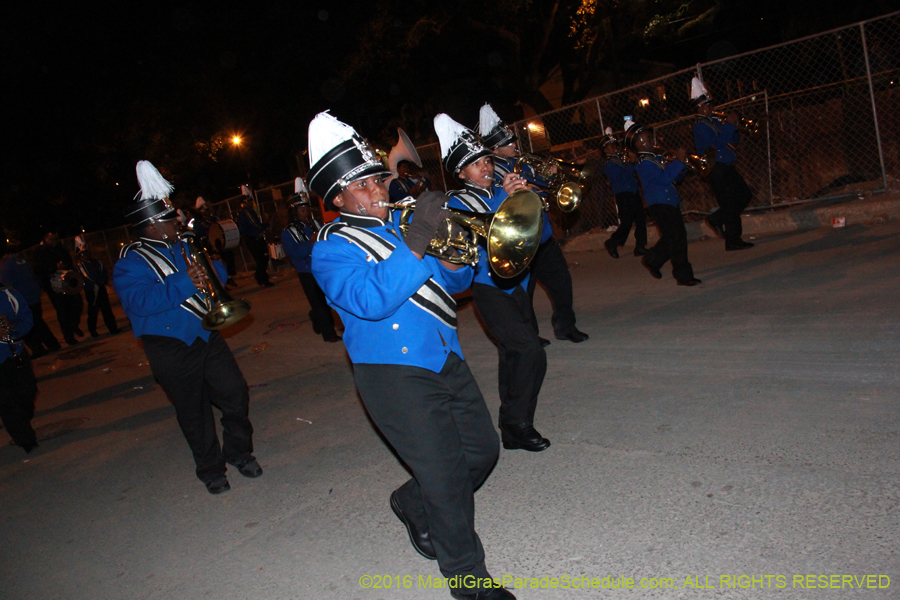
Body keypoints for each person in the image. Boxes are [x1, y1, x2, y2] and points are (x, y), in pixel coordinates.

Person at [307, 112, 514, 600]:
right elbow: (371, 299)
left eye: (378, 178)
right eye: (363, 185)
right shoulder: (330, 248)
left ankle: (410, 499)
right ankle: (469, 581)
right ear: (338, 198)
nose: (378, 188)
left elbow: (456, 286)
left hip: (445, 355)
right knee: (445, 479)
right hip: (392, 373)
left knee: (483, 452)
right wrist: (420, 241)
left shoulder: (403, 225)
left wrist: (453, 256)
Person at [113, 161, 262, 495]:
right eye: (168, 218)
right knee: (193, 412)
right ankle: (211, 469)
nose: (175, 221)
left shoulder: (184, 245)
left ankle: (239, 452)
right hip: (169, 345)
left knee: (235, 393)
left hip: (207, 333)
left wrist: (212, 268)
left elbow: (218, 276)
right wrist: (184, 281)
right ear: (150, 226)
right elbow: (139, 301)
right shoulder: (129, 262)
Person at [438, 112, 551, 454]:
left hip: (519, 282)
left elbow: (534, 233)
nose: (486, 167)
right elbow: (488, 235)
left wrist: (529, 200)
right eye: (475, 164)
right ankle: (517, 421)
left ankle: (512, 426)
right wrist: (508, 199)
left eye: (486, 159)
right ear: (460, 173)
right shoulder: (456, 203)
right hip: (488, 286)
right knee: (529, 350)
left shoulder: (501, 190)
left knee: (515, 353)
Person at [479, 103, 588, 344]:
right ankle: (530, 335)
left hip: (543, 234)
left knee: (561, 281)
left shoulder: (523, 163)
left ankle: (565, 326)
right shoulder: (491, 173)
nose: (515, 146)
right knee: (524, 293)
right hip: (520, 240)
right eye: (509, 143)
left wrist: (550, 176)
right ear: (495, 149)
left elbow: (546, 191)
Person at [624, 118, 701, 287]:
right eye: (648, 139)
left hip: (669, 201)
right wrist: (678, 162)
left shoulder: (656, 158)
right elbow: (664, 179)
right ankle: (683, 275)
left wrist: (683, 167)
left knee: (673, 237)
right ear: (639, 144)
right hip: (659, 204)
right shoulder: (643, 164)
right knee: (677, 238)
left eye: (650, 138)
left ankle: (652, 259)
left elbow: (673, 178)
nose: (652, 141)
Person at [690, 76, 754, 251]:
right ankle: (720, 224)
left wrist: (735, 127)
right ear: (701, 107)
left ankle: (732, 237)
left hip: (725, 165)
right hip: (715, 168)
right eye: (709, 105)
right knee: (732, 201)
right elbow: (716, 143)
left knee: (743, 196)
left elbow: (731, 140)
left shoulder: (715, 121)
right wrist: (729, 125)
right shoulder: (700, 125)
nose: (713, 108)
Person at [281, 177, 340, 343]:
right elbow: (294, 253)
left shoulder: (315, 223)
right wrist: (311, 243)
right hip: (306, 271)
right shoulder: (288, 232)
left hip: (323, 267)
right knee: (318, 302)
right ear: (294, 211)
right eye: (302, 209)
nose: (306, 212)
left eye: (307, 208)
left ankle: (316, 316)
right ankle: (329, 333)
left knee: (329, 299)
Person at [0, 235, 61, 357]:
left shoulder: (6, 265)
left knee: (27, 326)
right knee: (38, 322)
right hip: (33, 296)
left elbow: (6, 285)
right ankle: (52, 344)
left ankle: (38, 348)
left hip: (23, 299)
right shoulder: (21, 260)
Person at [0, 284, 39, 453]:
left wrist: (11, 327)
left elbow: (27, 319)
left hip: (15, 352)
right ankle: (25, 438)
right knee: (6, 401)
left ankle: (21, 421)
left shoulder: (9, 294)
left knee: (28, 391)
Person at [599, 127, 648, 259]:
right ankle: (612, 242)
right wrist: (631, 164)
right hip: (623, 194)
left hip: (632, 191)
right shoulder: (609, 164)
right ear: (605, 150)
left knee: (641, 218)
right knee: (626, 221)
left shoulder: (619, 159)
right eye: (610, 146)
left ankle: (640, 246)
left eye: (614, 145)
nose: (614, 147)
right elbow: (622, 177)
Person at [32, 232, 85, 345]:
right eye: (52, 239)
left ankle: (73, 325)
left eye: (56, 239)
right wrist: (53, 268)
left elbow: (69, 262)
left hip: (66, 281)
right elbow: (38, 269)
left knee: (77, 303)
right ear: (46, 239)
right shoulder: (40, 251)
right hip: (53, 284)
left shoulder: (61, 248)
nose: (54, 242)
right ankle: (68, 336)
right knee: (62, 310)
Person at [74, 236, 119, 337]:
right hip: (91, 291)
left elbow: (104, 272)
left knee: (106, 309)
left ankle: (113, 328)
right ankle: (92, 330)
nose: (85, 256)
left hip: (101, 288)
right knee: (93, 311)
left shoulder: (96, 262)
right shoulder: (78, 267)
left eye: (86, 253)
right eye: (82, 254)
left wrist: (104, 281)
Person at [192, 197, 238, 288]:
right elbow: (196, 233)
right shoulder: (197, 222)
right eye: (204, 209)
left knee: (228, 258)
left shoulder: (213, 218)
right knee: (215, 265)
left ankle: (228, 278)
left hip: (217, 244)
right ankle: (219, 284)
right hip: (207, 246)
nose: (206, 211)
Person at [236, 186, 274, 287]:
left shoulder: (251, 212)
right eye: (249, 201)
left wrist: (266, 225)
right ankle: (262, 279)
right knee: (260, 259)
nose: (251, 203)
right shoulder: (243, 214)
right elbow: (245, 228)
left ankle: (260, 276)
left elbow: (257, 224)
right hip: (252, 239)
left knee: (264, 258)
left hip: (258, 237)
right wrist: (257, 233)